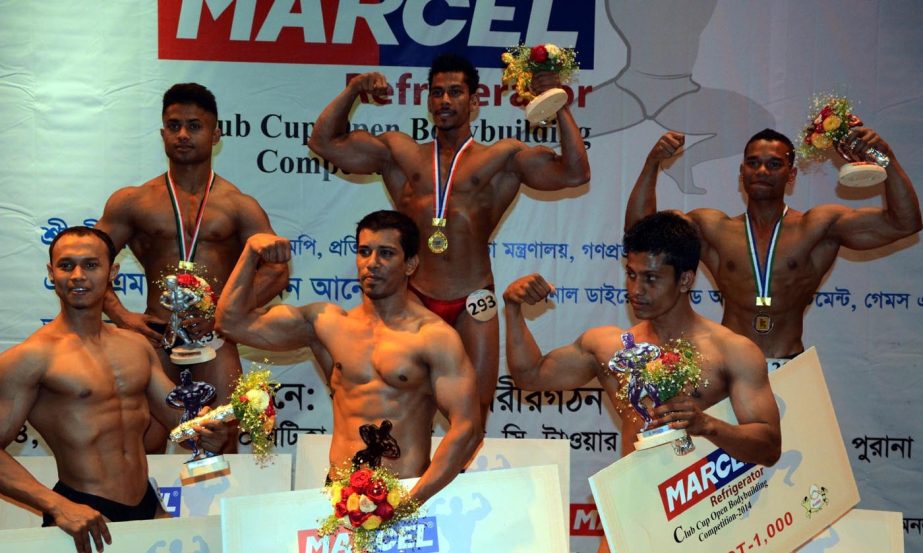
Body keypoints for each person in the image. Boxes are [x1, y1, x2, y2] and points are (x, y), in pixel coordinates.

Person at [308, 53, 591, 423]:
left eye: (455, 92)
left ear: (474, 102)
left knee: (475, 409)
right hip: (413, 298)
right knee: (405, 407)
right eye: (437, 92)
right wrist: (354, 90)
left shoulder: (502, 157)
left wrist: (558, 102)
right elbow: (323, 142)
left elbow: (574, 173)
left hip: (474, 298)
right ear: (428, 101)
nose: (444, 100)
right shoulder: (400, 153)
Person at [505, 213, 781, 552]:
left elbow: (768, 446)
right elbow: (529, 376)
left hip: (703, 518)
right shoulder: (607, 346)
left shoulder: (732, 352)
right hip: (633, 510)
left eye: (651, 278)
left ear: (685, 280)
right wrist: (513, 310)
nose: (636, 290)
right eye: (631, 275)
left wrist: (707, 424)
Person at [216, 210, 481, 505]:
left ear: (410, 265)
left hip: (404, 494)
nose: (372, 263)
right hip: (339, 494)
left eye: (386, 253)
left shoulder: (434, 337)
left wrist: (412, 501)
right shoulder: (327, 325)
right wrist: (250, 252)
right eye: (364, 251)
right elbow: (230, 323)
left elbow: (468, 428)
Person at [0, 227, 227, 553]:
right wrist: (56, 505)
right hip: (84, 515)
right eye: (66, 266)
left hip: (148, 508)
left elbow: (180, 422)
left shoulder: (136, 347)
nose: (78, 276)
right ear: (51, 273)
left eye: (91, 265)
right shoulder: (31, 358)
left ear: (112, 272)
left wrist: (207, 432)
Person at [95, 83, 289, 451]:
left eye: (195, 126)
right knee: (144, 442)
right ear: (163, 132)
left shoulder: (238, 205)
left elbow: (277, 270)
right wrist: (121, 315)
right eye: (174, 125)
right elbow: (90, 259)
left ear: (216, 134)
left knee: (221, 441)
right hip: (154, 338)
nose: (183, 135)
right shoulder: (132, 201)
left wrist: (223, 313)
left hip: (215, 338)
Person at [626, 128, 921, 363]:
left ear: (791, 175)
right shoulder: (713, 228)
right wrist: (652, 164)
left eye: (774, 164)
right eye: (753, 163)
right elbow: (640, 234)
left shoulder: (817, 227)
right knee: (724, 440)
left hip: (790, 363)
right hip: (730, 364)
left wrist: (887, 161)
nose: (762, 171)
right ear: (741, 173)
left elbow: (904, 223)